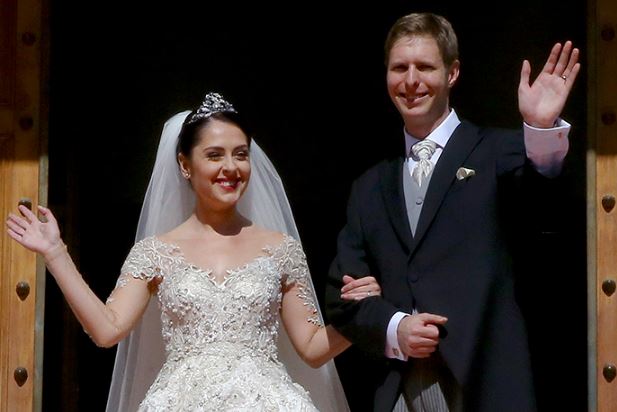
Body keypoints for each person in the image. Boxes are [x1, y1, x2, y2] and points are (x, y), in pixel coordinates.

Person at [6, 92, 382, 411]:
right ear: (185, 165)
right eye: (215, 155)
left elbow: (313, 348)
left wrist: (361, 316)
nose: (231, 167)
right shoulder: (156, 252)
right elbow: (107, 329)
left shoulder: (281, 249)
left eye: (240, 154)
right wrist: (55, 253)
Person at [326, 12, 580, 412]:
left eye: (425, 67)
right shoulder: (370, 187)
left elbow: (549, 215)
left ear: (453, 73)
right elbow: (341, 299)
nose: (411, 80)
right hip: (401, 390)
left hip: (486, 384)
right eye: (399, 68)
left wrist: (541, 130)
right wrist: (395, 328)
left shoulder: (499, 152)